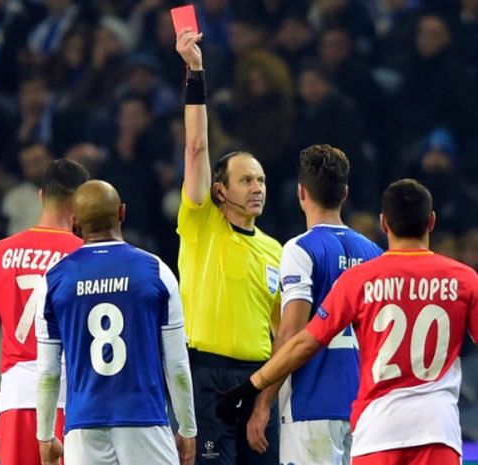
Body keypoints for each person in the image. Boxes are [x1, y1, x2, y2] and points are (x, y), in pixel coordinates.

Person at [220, 179, 474, 465]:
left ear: (384, 223)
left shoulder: (361, 279)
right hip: (437, 431)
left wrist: (252, 386)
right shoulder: (465, 280)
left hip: (378, 432)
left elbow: (303, 342)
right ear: (431, 222)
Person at [174, 29, 283, 464]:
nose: (256, 187)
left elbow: (283, 337)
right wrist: (196, 72)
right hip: (206, 376)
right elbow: (196, 147)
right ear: (220, 190)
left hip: (257, 381)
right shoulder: (201, 223)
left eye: (260, 180)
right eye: (245, 180)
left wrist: (265, 400)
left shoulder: (277, 250)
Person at [35, 180, 197, 465]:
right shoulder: (156, 271)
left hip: (83, 426)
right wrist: (188, 428)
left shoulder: (54, 280)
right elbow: (178, 365)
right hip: (144, 419)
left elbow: (48, 373)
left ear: (75, 222)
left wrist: (45, 435)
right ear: (122, 213)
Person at [243, 144, 383, 465]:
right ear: (344, 193)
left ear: (301, 192)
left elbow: (291, 332)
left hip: (312, 407)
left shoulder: (300, 250)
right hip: (366, 407)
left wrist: (264, 402)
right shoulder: (375, 254)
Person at [0, 159, 90, 465]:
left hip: (16, 399)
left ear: (41, 196)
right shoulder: (84, 255)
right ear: (81, 202)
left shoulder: (3, 251)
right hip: (72, 401)